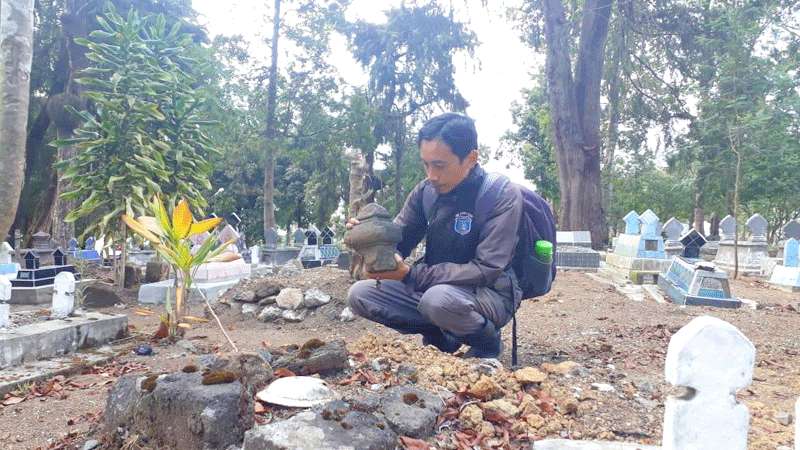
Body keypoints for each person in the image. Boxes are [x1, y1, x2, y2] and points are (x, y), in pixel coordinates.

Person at [346, 113, 523, 359]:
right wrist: (372, 240)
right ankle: (442, 337)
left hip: (490, 292)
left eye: (440, 165)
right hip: (434, 288)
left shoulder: (500, 195)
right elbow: (399, 237)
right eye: (426, 164)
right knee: (360, 294)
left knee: (437, 301)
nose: (431, 175)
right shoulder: (426, 191)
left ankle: (486, 342)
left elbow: (487, 268)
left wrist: (411, 274)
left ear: (471, 158)